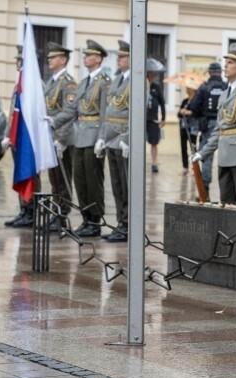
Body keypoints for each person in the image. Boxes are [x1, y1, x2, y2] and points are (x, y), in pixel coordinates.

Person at [191, 43, 236, 205]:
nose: (225, 65)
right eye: (226, 62)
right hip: (224, 157)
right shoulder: (225, 94)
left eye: (230, 62)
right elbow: (219, 130)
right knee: (226, 205)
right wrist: (203, 153)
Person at [51, 39, 111, 237]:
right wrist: (53, 122)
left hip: (94, 135)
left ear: (98, 58)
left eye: (88, 55)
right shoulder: (84, 82)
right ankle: (86, 217)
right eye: (84, 55)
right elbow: (71, 109)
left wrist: (102, 138)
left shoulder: (104, 82)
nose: (84, 58)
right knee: (80, 179)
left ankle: (95, 219)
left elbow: (105, 113)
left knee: (93, 180)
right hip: (79, 136)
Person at [4, 45, 42, 228]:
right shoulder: (18, 84)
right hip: (16, 138)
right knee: (20, 173)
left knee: (30, 173)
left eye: (19, 60)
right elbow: (14, 113)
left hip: (28, 140)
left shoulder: (35, 85)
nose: (16, 63)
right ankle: (24, 210)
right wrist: (7, 135)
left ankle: (32, 211)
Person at [97, 40, 131, 242]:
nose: (119, 59)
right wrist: (101, 137)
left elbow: (138, 113)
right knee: (117, 184)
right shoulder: (116, 80)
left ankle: (128, 224)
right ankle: (121, 221)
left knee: (127, 184)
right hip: (111, 138)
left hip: (124, 137)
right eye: (118, 56)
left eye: (123, 56)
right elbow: (107, 113)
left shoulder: (138, 82)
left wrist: (128, 138)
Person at [44, 42, 78, 232]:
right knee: (54, 178)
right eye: (49, 57)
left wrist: (62, 138)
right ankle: (55, 212)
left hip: (62, 138)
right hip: (51, 137)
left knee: (63, 179)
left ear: (63, 60)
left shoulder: (68, 82)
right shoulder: (52, 81)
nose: (49, 59)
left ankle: (62, 215)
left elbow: (71, 112)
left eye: (53, 57)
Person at [184, 62, 226, 199]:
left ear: (209, 72)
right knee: (227, 157)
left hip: (208, 125)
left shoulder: (204, 87)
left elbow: (195, 108)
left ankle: (205, 189)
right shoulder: (227, 87)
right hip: (226, 125)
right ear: (220, 72)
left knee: (206, 156)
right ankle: (227, 190)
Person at [177, 78, 200, 175]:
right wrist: (181, 112)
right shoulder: (185, 101)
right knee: (183, 147)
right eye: (187, 88)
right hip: (183, 126)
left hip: (193, 127)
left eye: (189, 88)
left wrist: (189, 112)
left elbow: (198, 112)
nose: (188, 89)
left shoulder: (197, 101)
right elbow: (178, 114)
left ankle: (194, 168)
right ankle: (185, 167)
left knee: (193, 147)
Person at [146, 66, 166, 173]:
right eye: (151, 73)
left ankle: (154, 163)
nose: (153, 75)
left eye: (154, 73)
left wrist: (163, 118)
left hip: (153, 119)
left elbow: (162, 103)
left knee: (154, 142)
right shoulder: (140, 86)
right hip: (142, 119)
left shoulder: (156, 87)